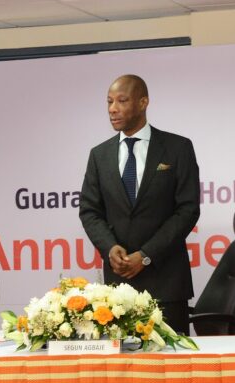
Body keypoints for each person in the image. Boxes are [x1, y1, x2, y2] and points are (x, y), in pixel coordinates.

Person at [79, 74, 200, 334]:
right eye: (109, 101)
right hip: (117, 288)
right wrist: (109, 247)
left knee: (174, 368)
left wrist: (146, 255)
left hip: (167, 281)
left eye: (122, 101)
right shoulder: (99, 155)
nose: (113, 108)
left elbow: (187, 209)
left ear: (143, 102)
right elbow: (90, 211)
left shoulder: (177, 148)